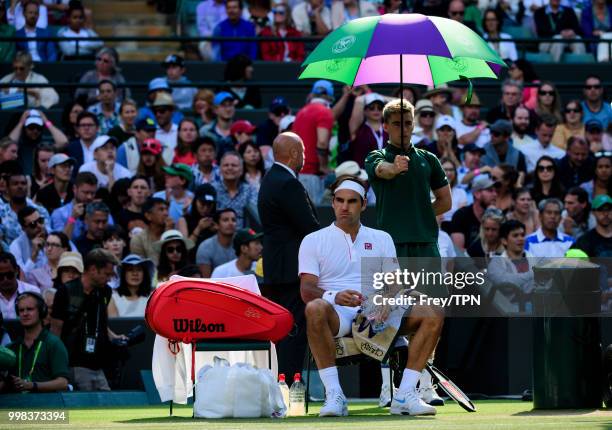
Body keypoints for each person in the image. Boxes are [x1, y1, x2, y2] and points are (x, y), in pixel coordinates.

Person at [299, 176, 444, 417]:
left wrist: (386, 298)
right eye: (340, 201)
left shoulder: (381, 238)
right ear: (333, 203)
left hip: (376, 311)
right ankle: (335, 395)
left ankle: (404, 395)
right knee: (314, 307)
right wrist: (335, 296)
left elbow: (394, 282)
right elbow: (307, 289)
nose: (345, 207)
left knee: (433, 311)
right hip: (338, 313)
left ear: (363, 204)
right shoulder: (313, 240)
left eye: (352, 201)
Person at [258, 132, 320, 378]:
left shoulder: (271, 178)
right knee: (294, 329)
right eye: (303, 151)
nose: (305, 156)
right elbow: (309, 227)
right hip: (291, 271)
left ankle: (281, 381)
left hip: (277, 269)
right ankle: (289, 382)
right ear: (294, 153)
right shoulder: (287, 183)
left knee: (283, 329)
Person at [365, 99, 451, 258]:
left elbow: (445, 201)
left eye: (408, 123)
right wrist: (394, 168)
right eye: (397, 124)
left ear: (413, 125)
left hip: (426, 243)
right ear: (385, 126)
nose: (403, 129)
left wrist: (418, 214)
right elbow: (381, 169)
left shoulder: (429, 158)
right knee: (392, 285)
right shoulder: (376, 156)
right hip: (390, 243)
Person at [50, 249, 125, 392]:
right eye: (107, 274)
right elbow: (55, 330)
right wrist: (58, 368)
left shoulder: (105, 291)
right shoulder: (65, 291)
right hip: (75, 364)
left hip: (99, 364)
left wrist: (114, 336)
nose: (109, 279)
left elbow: (101, 323)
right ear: (92, 270)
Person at [2, 291, 69, 393]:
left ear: (41, 311)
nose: (25, 313)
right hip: (16, 406)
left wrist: (32, 386)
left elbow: (63, 383)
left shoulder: (54, 343)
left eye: (30, 309)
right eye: (21, 310)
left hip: (46, 406)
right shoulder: (11, 348)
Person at [292, 80, 335, 203]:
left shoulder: (302, 111)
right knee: (315, 217)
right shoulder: (325, 112)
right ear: (330, 96)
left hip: (299, 172)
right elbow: (322, 142)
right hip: (312, 174)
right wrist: (324, 166)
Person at [487, 220, 535, 306]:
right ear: (504, 241)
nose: (520, 238)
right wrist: (535, 274)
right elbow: (506, 284)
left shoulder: (534, 258)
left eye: (522, 235)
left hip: (536, 308)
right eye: (515, 235)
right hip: (509, 311)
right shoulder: (496, 263)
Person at [7, 109, 67, 175]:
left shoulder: (46, 145)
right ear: (25, 128)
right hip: (24, 183)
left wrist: (46, 121)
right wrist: (21, 123)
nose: (35, 131)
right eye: (31, 127)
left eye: (38, 127)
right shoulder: (19, 146)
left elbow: (63, 142)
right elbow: (9, 144)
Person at [0, 171, 51, 246]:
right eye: (15, 184)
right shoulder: (1, 213)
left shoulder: (40, 211)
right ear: (7, 189)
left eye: (23, 183)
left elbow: (49, 236)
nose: (20, 186)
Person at [450, 175, 497, 251]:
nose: (495, 194)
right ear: (477, 194)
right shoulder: (461, 216)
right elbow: (458, 251)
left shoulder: (496, 216)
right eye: (490, 190)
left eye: (496, 191)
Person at [212, 152, 259, 228]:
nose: (230, 168)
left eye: (234, 165)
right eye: (226, 165)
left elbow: (254, 217)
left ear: (241, 170)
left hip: (245, 236)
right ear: (220, 169)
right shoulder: (212, 189)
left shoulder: (250, 190)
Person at [50, 171, 98, 241]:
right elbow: (61, 244)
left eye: (93, 193)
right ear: (75, 189)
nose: (89, 197)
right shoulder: (59, 214)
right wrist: (72, 218)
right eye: (86, 192)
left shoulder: (99, 212)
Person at [195, 208, 238, 277]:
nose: (231, 223)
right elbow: (205, 280)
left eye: (233, 220)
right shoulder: (205, 247)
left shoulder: (243, 245)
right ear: (216, 225)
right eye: (225, 220)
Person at [349, 93, 388, 168]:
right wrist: (366, 95)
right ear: (365, 111)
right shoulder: (358, 129)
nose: (376, 110)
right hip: (364, 175)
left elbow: (404, 101)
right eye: (372, 107)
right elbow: (358, 101)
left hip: (387, 174)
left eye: (380, 108)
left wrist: (381, 96)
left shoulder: (389, 129)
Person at [0, 252, 40, 320]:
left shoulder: (32, 291)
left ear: (17, 271)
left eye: (9, 275)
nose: (5, 279)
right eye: (0, 276)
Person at [129, 197, 169, 264]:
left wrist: (168, 234)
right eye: (161, 210)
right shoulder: (138, 240)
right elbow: (141, 268)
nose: (166, 213)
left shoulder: (174, 234)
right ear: (148, 216)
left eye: (166, 209)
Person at [177, 183, 217, 249]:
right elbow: (184, 249)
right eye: (202, 204)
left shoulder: (217, 220)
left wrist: (219, 231)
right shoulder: (184, 220)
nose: (205, 208)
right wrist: (199, 229)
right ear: (195, 201)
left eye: (209, 205)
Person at [199, 92, 236, 162]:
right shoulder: (205, 132)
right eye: (223, 106)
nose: (228, 109)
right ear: (215, 110)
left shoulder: (241, 131)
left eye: (230, 105)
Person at [10, 206, 48, 272]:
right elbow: (21, 278)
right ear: (23, 228)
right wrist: (34, 255)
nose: (39, 226)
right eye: (33, 224)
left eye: (40, 220)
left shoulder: (53, 236)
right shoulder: (16, 246)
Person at [439, 158, 467, 224]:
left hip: (455, 227)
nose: (448, 173)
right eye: (445, 170)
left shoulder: (461, 192)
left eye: (451, 170)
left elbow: (460, 216)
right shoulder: (430, 192)